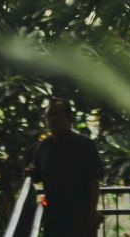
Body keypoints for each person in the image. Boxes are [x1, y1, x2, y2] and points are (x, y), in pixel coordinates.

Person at [27, 98, 102, 236]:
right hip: (54, 218)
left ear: (70, 118)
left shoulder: (84, 145)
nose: (52, 119)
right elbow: (36, 176)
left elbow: (94, 181)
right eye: (49, 115)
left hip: (80, 216)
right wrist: (30, 172)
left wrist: (92, 212)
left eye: (57, 114)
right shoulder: (42, 147)